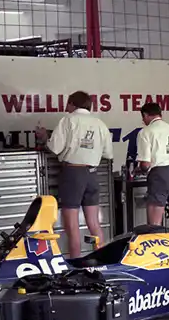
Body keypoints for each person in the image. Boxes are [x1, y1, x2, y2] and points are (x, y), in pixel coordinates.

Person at [35, 91, 113, 258]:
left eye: (67, 104)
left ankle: (75, 265)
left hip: (73, 174)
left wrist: (44, 137)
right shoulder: (99, 123)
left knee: (72, 225)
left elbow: (54, 148)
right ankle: (101, 260)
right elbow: (108, 153)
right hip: (92, 174)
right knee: (94, 223)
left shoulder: (67, 120)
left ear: (72, 104)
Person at [135, 102, 169, 231]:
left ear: (146, 115)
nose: (143, 121)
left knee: (154, 226)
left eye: (143, 118)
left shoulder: (146, 132)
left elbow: (145, 164)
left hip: (161, 175)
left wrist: (139, 169)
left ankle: (157, 251)